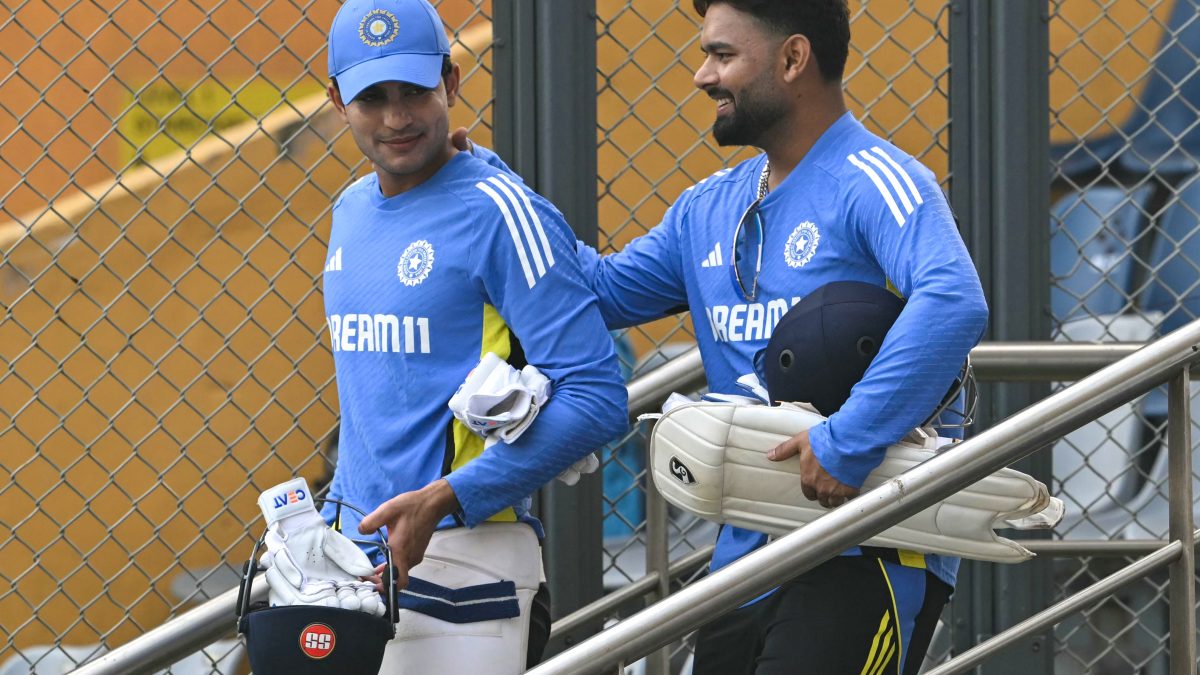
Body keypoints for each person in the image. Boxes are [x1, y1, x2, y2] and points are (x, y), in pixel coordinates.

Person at [571, 1, 989, 672]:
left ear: (794, 59)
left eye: (723, 55)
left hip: (861, 545)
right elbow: (595, 291)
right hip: (742, 561)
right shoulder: (708, 206)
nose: (703, 76)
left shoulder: (876, 180)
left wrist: (845, 440)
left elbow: (953, 298)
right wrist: (484, 196)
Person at [311, 0, 628, 671]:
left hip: (468, 555)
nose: (397, 118)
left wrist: (446, 497)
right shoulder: (348, 210)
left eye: (415, 92)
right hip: (352, 556)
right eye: (373, 97)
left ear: (451, 82)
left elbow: (599, 395)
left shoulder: (501, 211)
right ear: (337, 98)